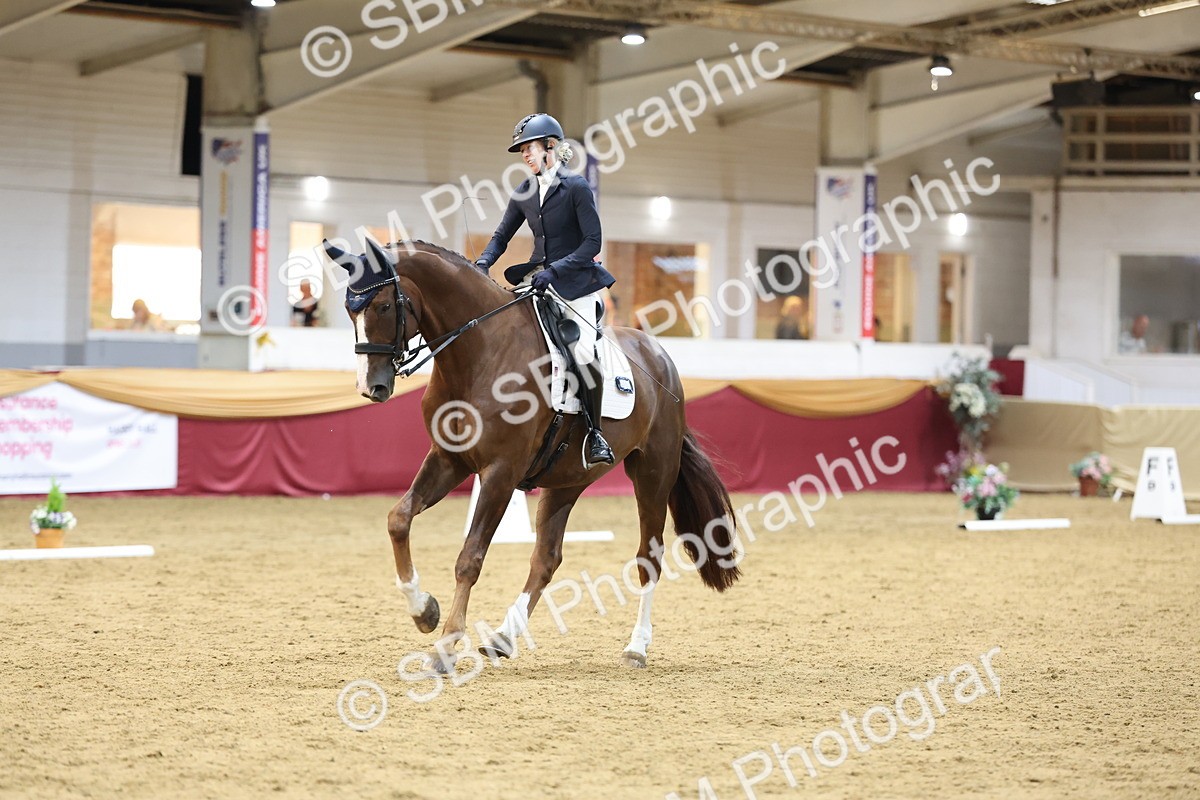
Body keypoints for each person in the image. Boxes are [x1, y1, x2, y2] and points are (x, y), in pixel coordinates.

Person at [474, 113, 616, 468]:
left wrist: (555, 270)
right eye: (521, 150)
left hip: (576, 285)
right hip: (538, 281)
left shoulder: (576, 187)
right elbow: (501, 236)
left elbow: (592, 242)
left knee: (581, 351)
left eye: (529, 148)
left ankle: (595, 434)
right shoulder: (524, 191)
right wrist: (482, 263)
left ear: (550, 146)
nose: (524, 155)